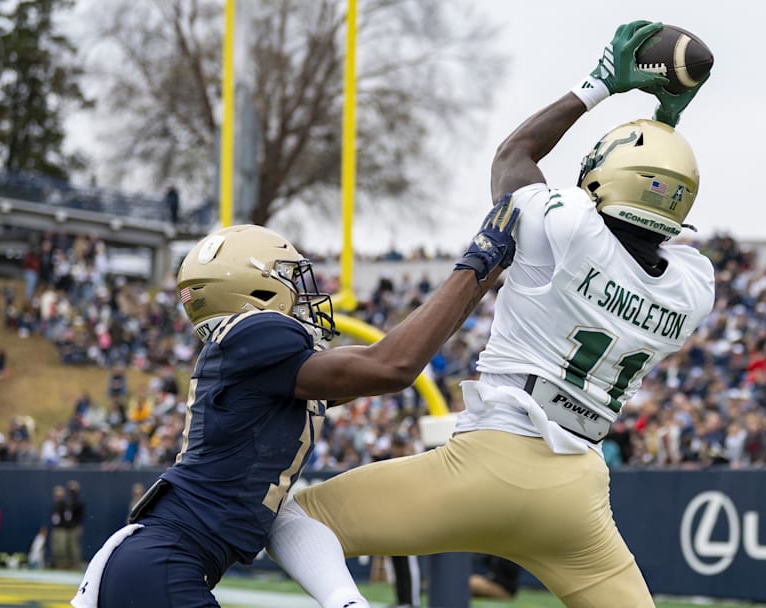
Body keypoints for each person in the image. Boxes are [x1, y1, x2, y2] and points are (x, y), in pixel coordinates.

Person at [267, 20, 715, 608]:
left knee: (293, 522)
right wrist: (664, 135)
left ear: (604, 176)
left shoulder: (565, 226)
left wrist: (600, 84)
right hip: (577, 497)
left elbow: (515, 155)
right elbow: (650, 223)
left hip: (488, 463)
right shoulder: (693, 284)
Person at [72, 207, 518, 608]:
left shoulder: (259, 368)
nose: (305, 292)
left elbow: (395, 363)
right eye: (291, 277)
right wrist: (475, 263)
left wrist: (482, 282)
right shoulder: (254, 333)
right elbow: (392, 366)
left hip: (156, 564)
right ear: (257, 290)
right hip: (162, 567)